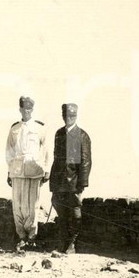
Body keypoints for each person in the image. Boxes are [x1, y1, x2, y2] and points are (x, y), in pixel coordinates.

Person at [5, 96, 50, 252]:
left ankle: (32, 238)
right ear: (20, 109)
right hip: (17, 171)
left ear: (33, 109)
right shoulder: (14, 129)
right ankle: (21, 237)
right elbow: (9, 151)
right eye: (24, 109)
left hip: (34, 171)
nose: (27, 111)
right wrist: (9, 171)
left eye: (30, 109)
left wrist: (46, 170)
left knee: (32, 206)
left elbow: (45, 151)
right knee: (17, 206)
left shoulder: (39, 128)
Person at [49, 103, 91, 254]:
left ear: (76, 116)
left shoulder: (82, 135)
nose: (69, 118)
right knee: (60, 211)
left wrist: (82, 183)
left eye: (72, 116)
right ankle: (63, 241)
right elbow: (56, 159)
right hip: (59, 182)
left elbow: (85, 161)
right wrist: (53, 182)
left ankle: (72, 243)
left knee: (75, 212)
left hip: (74, 182)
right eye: (66, 116)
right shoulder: (59, 133)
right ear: (62, 116)